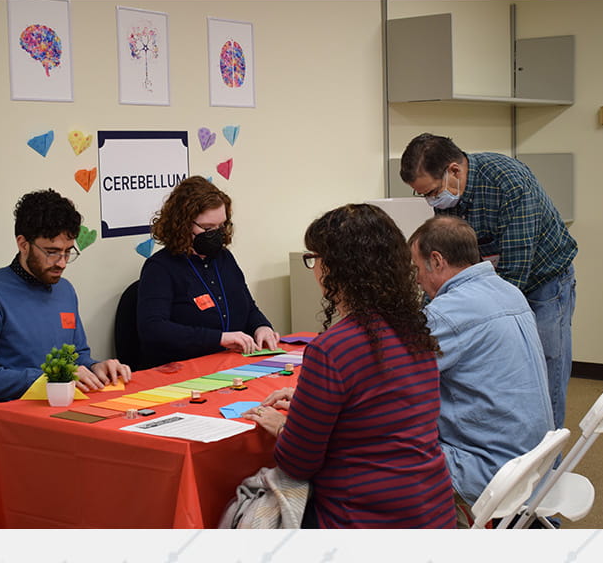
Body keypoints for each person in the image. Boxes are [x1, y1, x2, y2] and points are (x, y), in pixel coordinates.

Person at [243, 204, 456, 529]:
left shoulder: (332, 350)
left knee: (244, 507)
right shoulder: (416, 332)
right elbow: (374, 416)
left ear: (335, 268)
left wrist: (284, 426)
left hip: (363, 521)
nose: (312, 268)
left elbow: (298, 463)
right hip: (433, 513)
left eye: (314, 259)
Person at [400, 133, 577, 430]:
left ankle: (549, 463)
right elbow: (446, 268)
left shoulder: (509, 182)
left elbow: (514, 273)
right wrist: (425, 319)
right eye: (424, 196)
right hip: (494, 281)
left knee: (546, 371)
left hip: (543, 279)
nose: (432, 201)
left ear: (454, 171)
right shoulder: (448, 195)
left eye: (431, 192)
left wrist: (468, 316)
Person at [408, 215, 555, 527]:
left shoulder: (448, 313)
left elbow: (390, 378)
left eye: (417, 268)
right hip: (534, 461)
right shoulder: (508, 291)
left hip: (490, 469)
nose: (417, 279)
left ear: (436, 261)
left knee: (373, 450)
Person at [0, 189, 131, 409]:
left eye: (68, 252)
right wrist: (54, 378)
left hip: (64, 406)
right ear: (23, 244)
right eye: (52, 252)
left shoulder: (65, 290)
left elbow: (77, 357)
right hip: (15, 412)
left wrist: (96, 367)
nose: (61, 263)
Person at [136, 176, 279, 367]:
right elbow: (153, 329)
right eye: (209, 228)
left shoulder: (224, 258)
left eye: (222, 226)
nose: (217, 234)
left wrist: (261, 327)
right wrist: (218, 338)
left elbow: (247, 307)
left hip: (233, 362)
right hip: (185, 368)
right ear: (183, 224)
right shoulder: (160, 268)